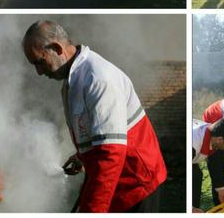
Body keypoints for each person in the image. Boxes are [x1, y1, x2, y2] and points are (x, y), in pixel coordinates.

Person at [22, 20, 167, 213]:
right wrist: (83, 157)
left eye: (39, 62)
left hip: (136, 183)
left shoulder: (98, 78)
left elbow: (110, 153)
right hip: (118, 180)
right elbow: (97, 132)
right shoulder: (74, 79)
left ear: (57, 48)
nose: (39, 72)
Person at [192, 118, 224, 212]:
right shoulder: (193, 145)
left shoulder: (214, 137)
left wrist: (220, 189)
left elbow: (215, 163)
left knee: (196, 175)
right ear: (220, 140)